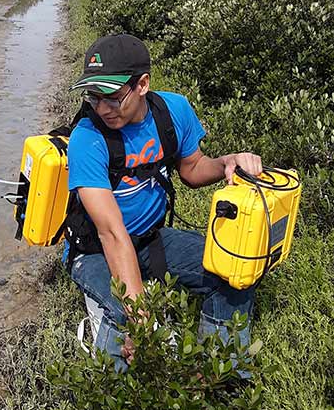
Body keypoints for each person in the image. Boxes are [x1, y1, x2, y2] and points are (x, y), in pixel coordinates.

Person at [65, 33, 262, 371]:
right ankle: (116, 402)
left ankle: (220, 373)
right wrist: (139, 316)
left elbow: (193, 169)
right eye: (94, 96)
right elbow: (111, 234)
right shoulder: (87, 138)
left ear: (142, 84)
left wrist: (226, 162)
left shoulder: (172, 111)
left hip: (151, 238)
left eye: (111, 96)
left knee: (232, 273)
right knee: (126, 316)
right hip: (95, 249)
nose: (101, 108)